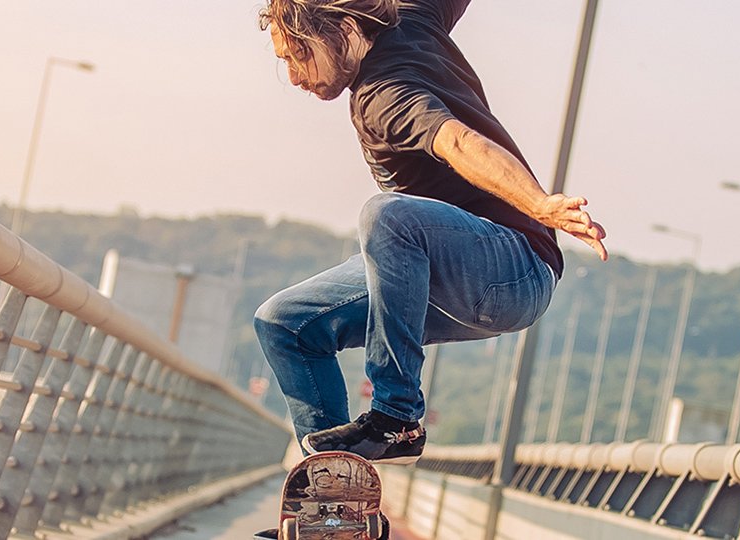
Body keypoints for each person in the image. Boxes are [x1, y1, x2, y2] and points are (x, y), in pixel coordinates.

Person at [255, 0, 608, 465]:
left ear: (341, 28)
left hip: (511, 270)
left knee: (388, 217)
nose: (295, 77)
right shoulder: (415, 15)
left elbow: (459, 142)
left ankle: (396, 417)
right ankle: (332, 498)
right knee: (284, 322)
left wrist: (539, 204)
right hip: (443, 276)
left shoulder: (384, 95)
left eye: (297, 55)